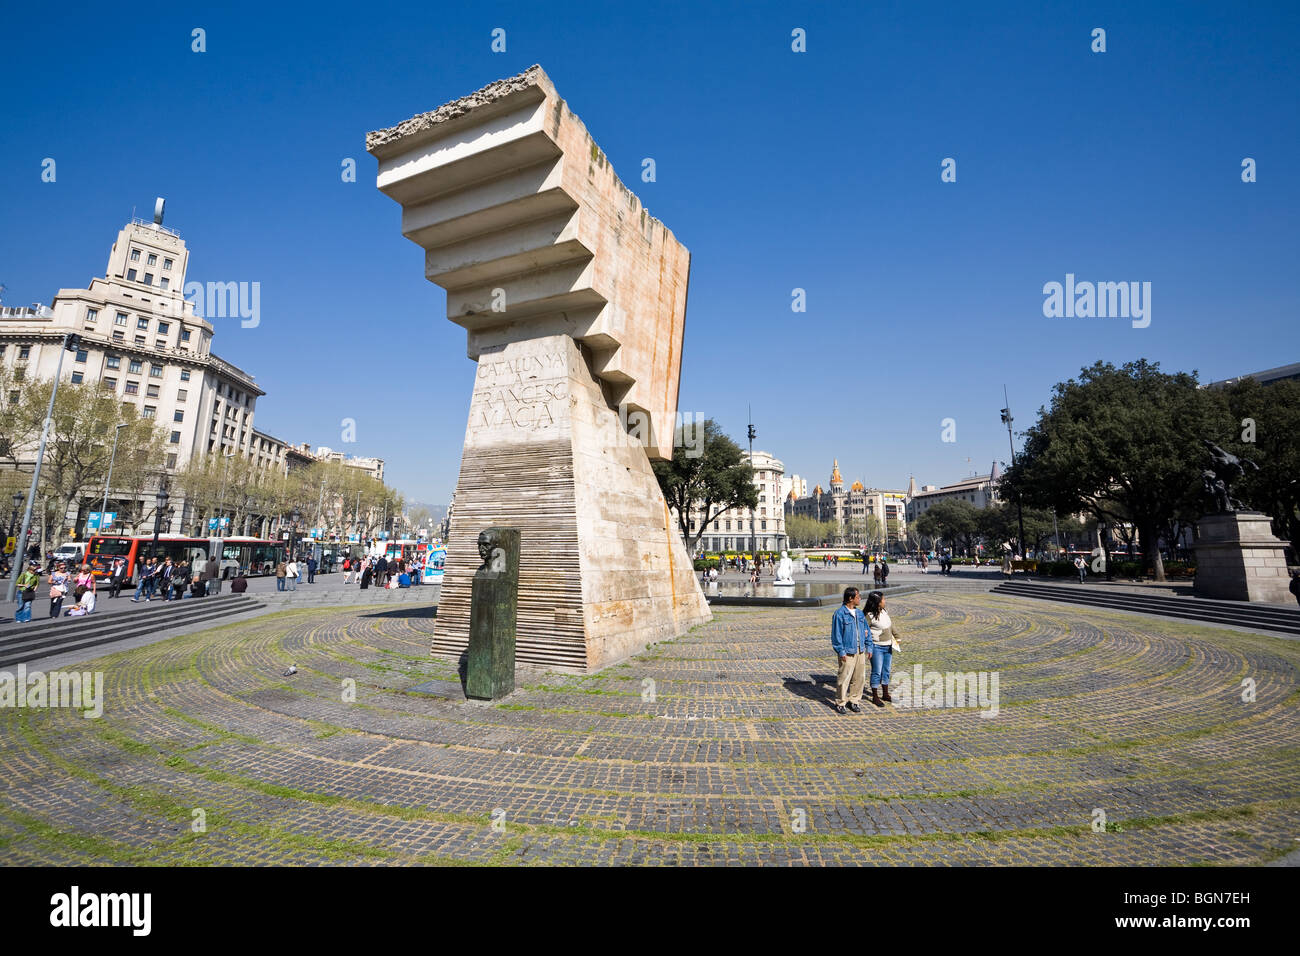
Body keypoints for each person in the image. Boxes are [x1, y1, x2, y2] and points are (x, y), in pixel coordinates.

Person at [830, 587, 872, 715]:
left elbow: (867, 631)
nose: (860, 598)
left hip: (860, 651)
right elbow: (836, 635)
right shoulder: (840, 614)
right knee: (844, 678)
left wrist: (869, 647)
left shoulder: (859, 614)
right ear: (850, 598)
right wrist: (841, 651)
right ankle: (841, 702)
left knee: (859, 678)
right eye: (858, 596)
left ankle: (854, 700)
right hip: (847, 651)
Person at [864, 590, 899, 708]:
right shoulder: (868, 616)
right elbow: (865, 631)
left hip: (888, 646)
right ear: (877, 602)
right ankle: (875, 696)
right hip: (876, 647)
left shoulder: (884, 611)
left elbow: (890, 625)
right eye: (883, 599)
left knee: (886, 670)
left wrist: (897, 636)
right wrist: (868, 646)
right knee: (877, 671)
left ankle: (885, 694)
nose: (885, 601)